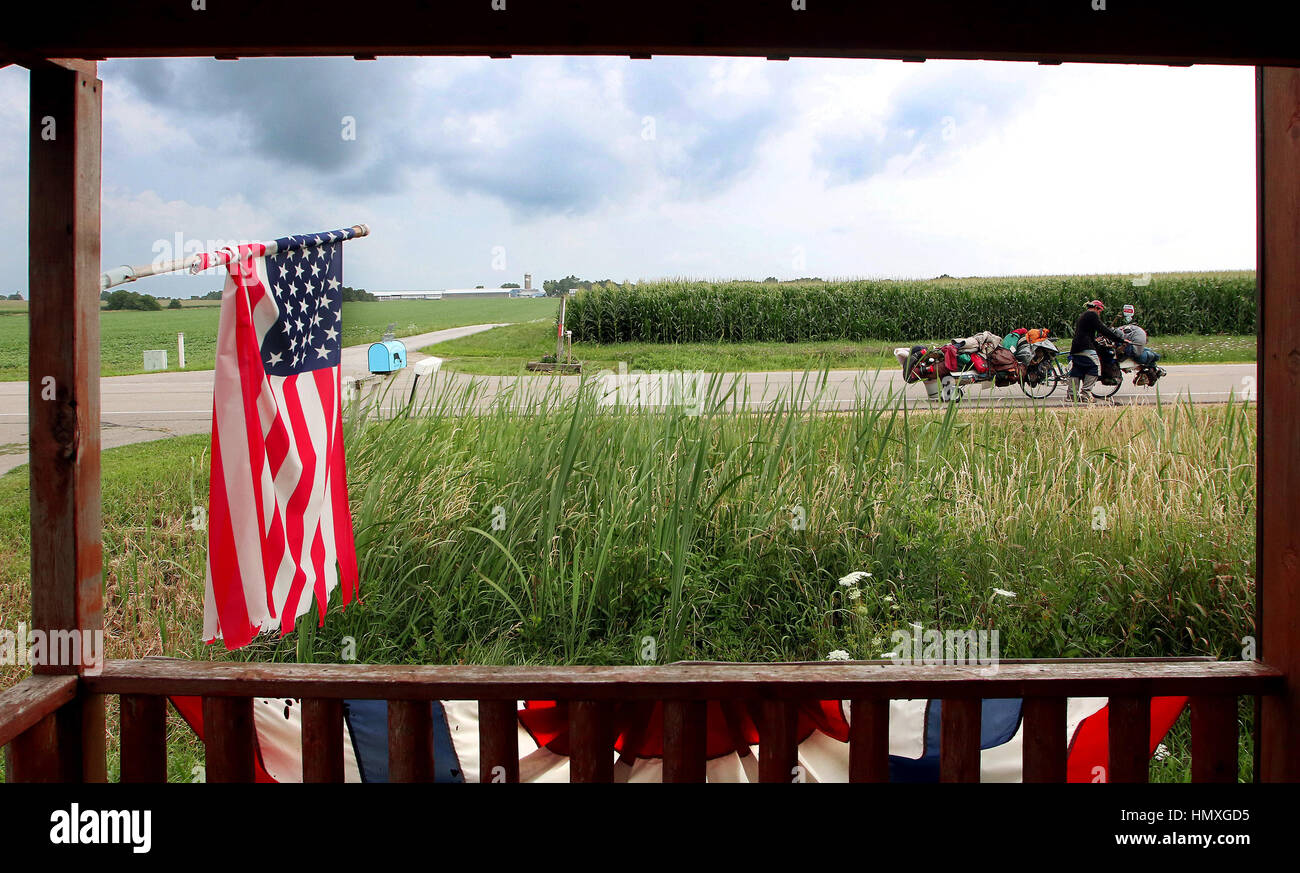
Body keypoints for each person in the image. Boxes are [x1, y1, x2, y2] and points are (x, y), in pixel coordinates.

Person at [1068, 299, 1125, 402]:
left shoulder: (1083, 316)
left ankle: (1072, 395)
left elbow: (1087, 334)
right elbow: (1103, 329)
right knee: (1095, 367)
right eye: (1099, 311)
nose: (1099, 313)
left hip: (1076, 347)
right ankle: (1086, 393)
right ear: (1096, 308)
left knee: (1077, 370)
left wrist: (1095, 342)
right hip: (1085, 347)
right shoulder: (1092, 315)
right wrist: (1119, 340)